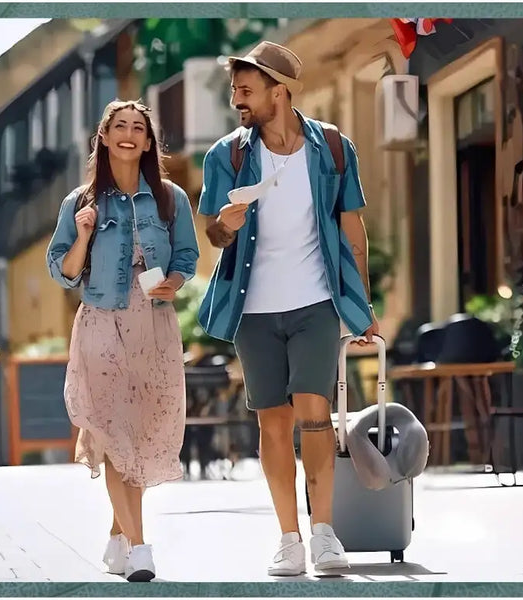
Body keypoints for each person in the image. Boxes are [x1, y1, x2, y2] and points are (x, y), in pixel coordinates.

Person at [196, 41, 380, 577]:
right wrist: (225, 227)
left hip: (315, 303)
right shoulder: (226, 156)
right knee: (273, 423)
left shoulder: (333, 148)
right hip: (253, 310)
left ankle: (324, 533)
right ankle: (289, 538)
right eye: (235, 90)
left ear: (280, 90)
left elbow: (352, 229)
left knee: (315, 415)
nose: (238, 100)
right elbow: (213, 232)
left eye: (246, 90)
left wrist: (361, 304)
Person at [46, 100, 199, 582]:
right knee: (114, 430)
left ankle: (117, 537)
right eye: (120, 127)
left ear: (149, 142)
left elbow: (189, 257)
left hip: (153, 322)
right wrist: (84, 235)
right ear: (105, 137)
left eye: (139, 128)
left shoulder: (170, 197)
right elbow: (63, 272)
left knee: (143, 428)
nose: (130, 134)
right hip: (101, 319)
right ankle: (138, 547)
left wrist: (175, 280)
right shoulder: (80, 202)